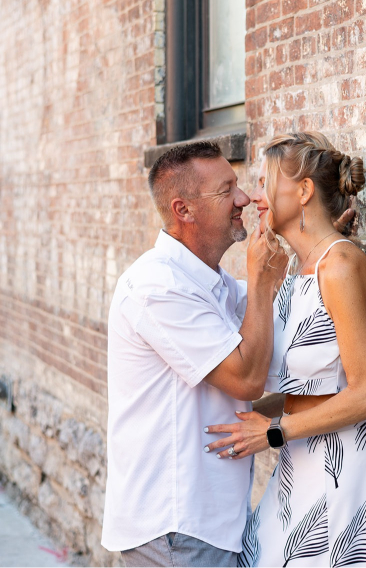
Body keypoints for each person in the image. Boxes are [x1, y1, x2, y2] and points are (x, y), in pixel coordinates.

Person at [203, 132, 366, 567]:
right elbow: (302, 388)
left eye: (266, 180)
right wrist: (248, 418)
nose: (255, 197)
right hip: (295, 458)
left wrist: (271, 431)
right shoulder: (297, 273)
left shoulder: (340, 266)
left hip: (336, 465)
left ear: (304, 191)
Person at [101, 141, 290, 567]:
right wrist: (260, 282)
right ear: (183, 210)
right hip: (176, 527)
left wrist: (323, 246)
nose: (243, 199)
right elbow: (246, 378)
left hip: (205, 523)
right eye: (227, 190)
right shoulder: (157, 287)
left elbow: (281, 328)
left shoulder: (213, 284)